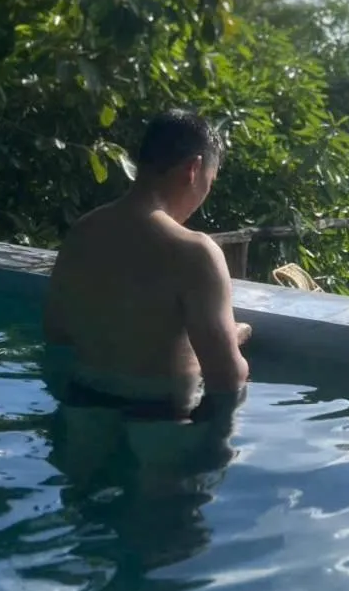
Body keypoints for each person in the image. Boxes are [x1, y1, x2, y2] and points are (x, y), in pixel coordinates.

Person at [43, 110, 251, 424]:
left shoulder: (82, 233)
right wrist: (233, 336)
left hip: (82, 412)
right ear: (193, 169)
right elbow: (226, 377)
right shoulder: (194, 252)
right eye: (210, 181)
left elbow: (57, 335)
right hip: (160, 424)